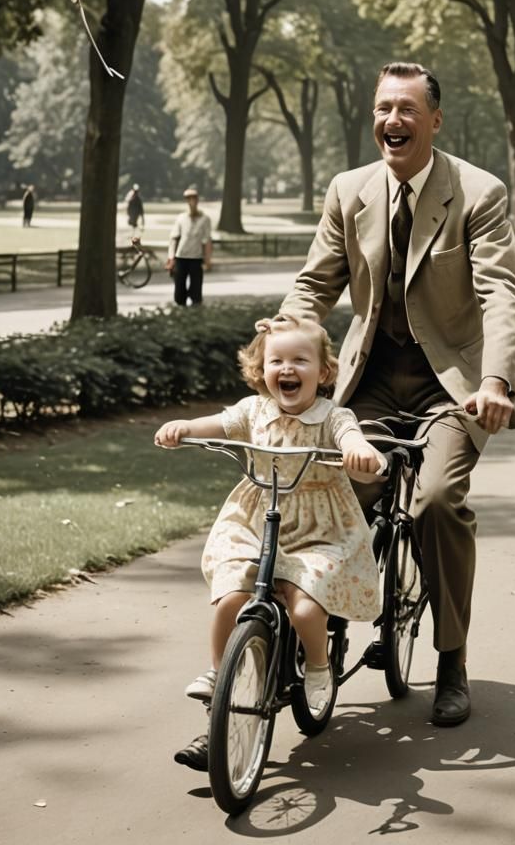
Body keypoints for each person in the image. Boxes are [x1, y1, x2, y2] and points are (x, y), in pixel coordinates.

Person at [279, 60, 515, 729]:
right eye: (384, 107)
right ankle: (308, 636)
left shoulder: (478, 193)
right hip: (369, 381)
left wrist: (497, 381)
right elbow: (313, 286)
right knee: (326, 491)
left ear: (434, 120)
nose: (394, 120)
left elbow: (501, 293)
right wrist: (284, 345)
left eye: (408, 109)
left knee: (438, 502)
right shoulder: (348, 190)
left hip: (449, 385)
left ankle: (451, 658)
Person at [156, 314, 386, 771]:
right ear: (261, 371)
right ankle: (222, 678)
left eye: (300, 360)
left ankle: (318, 667)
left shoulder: (333, 416)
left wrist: (362, 452)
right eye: (276, 360)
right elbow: (217, 423)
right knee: (230, 596)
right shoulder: (253, 410)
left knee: (304, 607)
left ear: (323, 372)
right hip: (259, 517)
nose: (287, 368)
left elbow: (352, 440)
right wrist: (185, 426)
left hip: (320, 528)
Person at [166, 186, 212, 305]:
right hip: (181, 257)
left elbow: (206, 240)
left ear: (197, 200)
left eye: (193, 198)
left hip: (196, 258)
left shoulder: (205, 219)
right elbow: (173, 238)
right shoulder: (181, 218)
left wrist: (208, 260)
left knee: (196, 289)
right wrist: (171, 258)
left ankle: (195, 312)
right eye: (188, 198)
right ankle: (181, 310)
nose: (191, 201)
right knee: (179, 288)